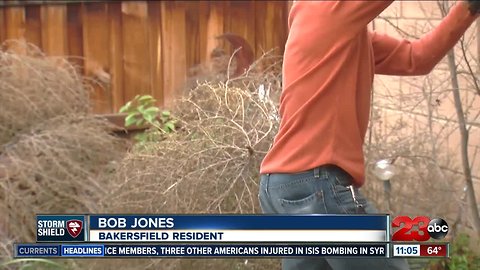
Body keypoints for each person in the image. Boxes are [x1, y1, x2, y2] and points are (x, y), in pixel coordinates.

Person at [258, 1, 480, 269]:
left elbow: (417, 58)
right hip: (316, 187)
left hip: (283, 189)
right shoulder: (326, 8)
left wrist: (468, 8)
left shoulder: (344, 33)